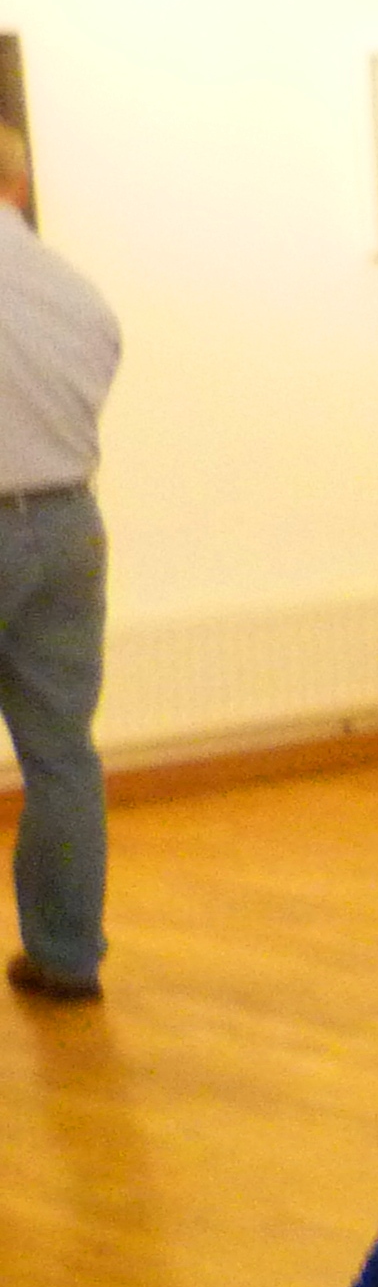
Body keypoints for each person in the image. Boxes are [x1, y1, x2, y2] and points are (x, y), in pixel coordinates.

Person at [0, 123, 118, 1010]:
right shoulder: (79, 295)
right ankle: (69, 956)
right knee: (62, 757)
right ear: (19, 184)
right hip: (66, 520)